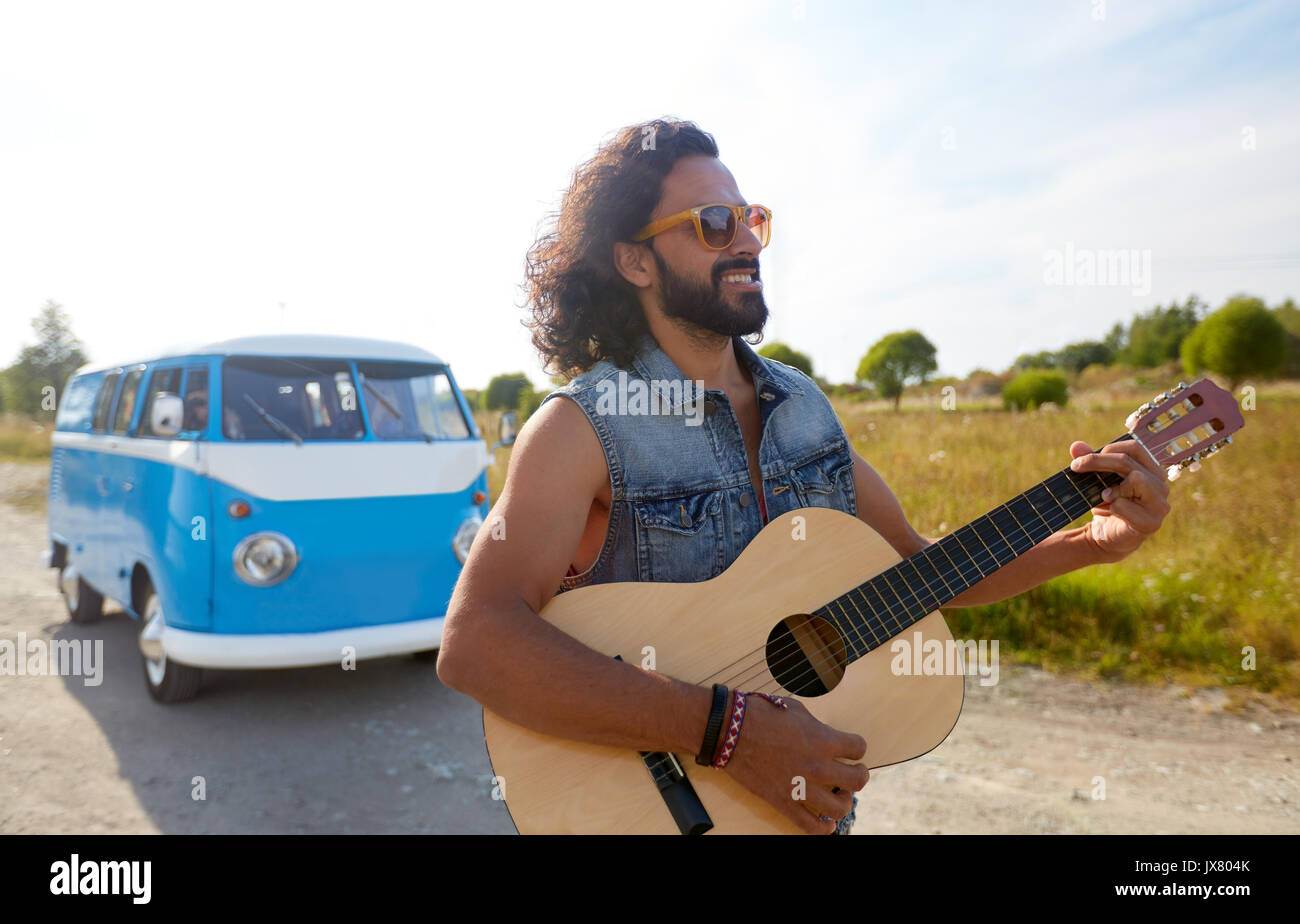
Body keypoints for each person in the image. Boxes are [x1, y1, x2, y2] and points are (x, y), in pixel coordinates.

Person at [436, 118, 1172, 835]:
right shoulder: (581, 427)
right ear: (635, 261)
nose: (749, 240)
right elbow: (476, 640)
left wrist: (1092, 543)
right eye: (714, 222)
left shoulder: (805, 409)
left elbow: (921, 571)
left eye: (751, 218)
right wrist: (726, 732)